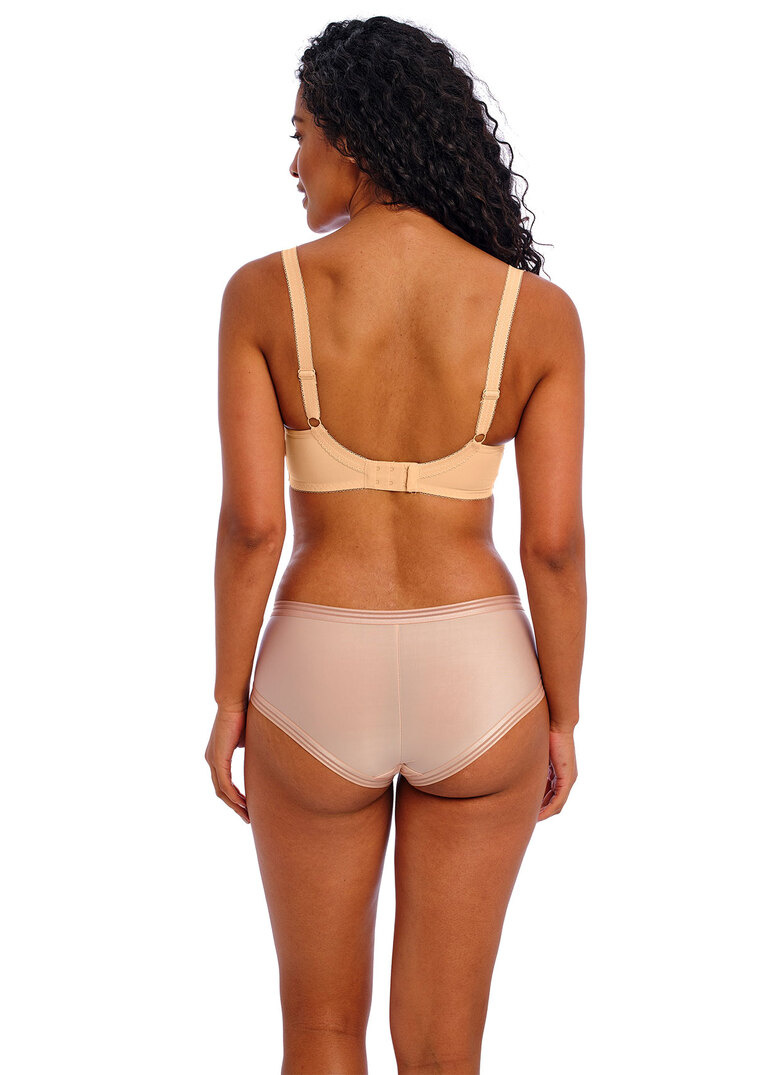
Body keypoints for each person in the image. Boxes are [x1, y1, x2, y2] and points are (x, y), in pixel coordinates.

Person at [205, 15, 586, 1075]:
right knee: (445, 1048)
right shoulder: (537, 313)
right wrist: (562, 714)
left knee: (321, 1030)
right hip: (484, 679)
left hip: (316, 670)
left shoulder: (263, 295)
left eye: (301, 137)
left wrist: (229, 699)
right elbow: (554, 544)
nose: (294, 164)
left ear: (356, 137)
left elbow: (253, 526)